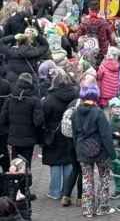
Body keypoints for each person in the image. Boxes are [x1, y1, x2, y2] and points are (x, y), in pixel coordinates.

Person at [71, 84, 116, 217]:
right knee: (103, 178)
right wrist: (112, 154)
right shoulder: (98, 112)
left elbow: (74, 134)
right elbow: (105, 134)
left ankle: (88, 209)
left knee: (87, 179)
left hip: (82, 148)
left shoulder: (75, 112)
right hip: (100, 150)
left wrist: (77, 148)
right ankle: (102, 207)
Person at [1, 72, 43, 194]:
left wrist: (11, 129)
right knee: (26, 163)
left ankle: (14, 189)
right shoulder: (34, 100)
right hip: (28, 139)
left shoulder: (10, 98)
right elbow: (39, 121)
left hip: (14, 138)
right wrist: (35, 131)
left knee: (14, 163)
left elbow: (3, 118)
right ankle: (25, 190)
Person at [41, 72, 78, 201]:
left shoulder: (50, 99)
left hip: (54, 134)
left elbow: (43, 116)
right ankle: (66, 191)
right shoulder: (75, 95)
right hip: (69, 131)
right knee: (68, 161)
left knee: (54, 162)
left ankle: (54, 191)